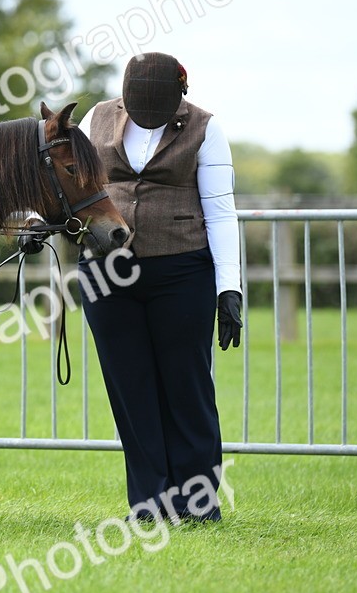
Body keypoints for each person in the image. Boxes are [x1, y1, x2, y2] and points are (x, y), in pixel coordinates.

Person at [78, 51, 243, 523]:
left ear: (180, 92)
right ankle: (148, 504)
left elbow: (220, 208)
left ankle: (198, 503)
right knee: (132, 392)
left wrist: (227, 289)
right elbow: (72, 182)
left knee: (186, 389)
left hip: (182, 271)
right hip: (107, 273)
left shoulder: (206, 129)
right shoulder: (96, 118)